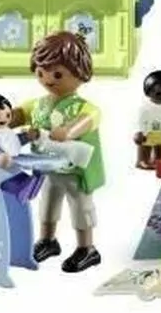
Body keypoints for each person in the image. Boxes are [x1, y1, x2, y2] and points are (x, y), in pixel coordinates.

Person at [11, 32, 104, 273]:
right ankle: (47, 240)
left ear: (80, 72)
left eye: (57, 74)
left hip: (75, 171)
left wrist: (70, 130)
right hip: (47, 169)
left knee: (81, 208)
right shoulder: (38, 104)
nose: (48, 80)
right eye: (41, 72)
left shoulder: (81, 106)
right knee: (48, 205)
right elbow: (17, 115)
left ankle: (87, 248)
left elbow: (90, 118)